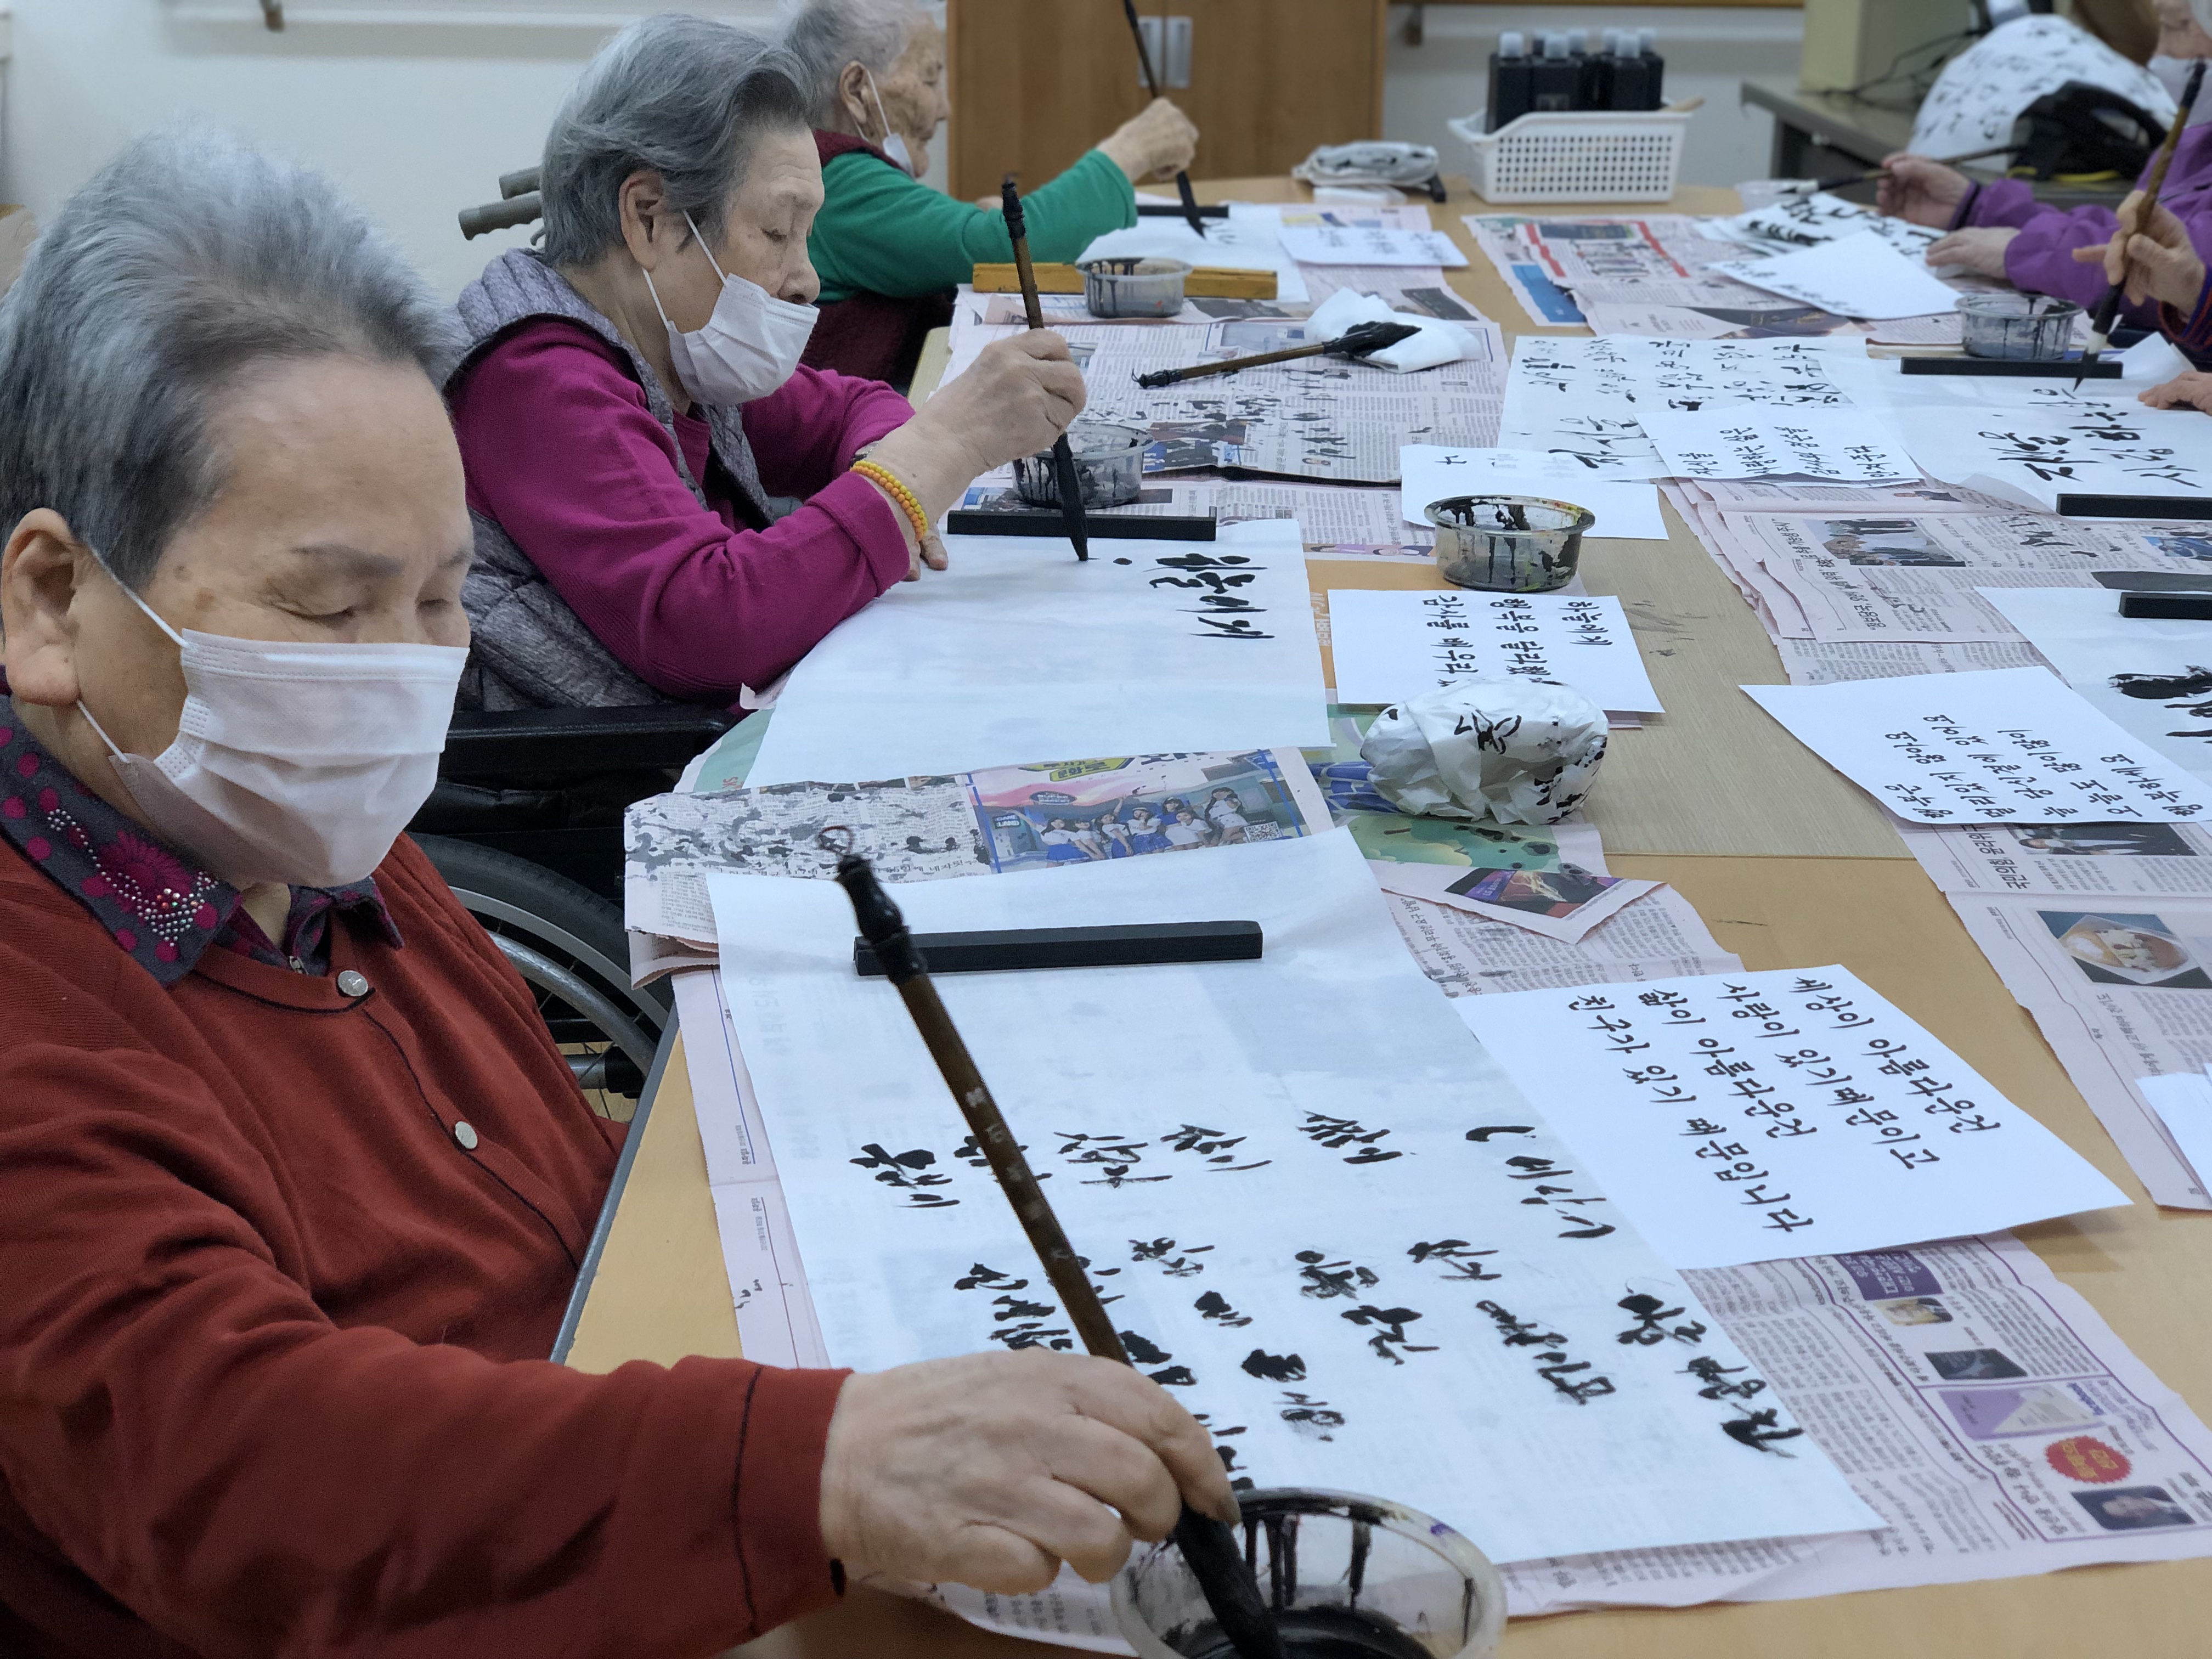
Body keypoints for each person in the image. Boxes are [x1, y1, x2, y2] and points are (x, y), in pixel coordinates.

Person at [0, 128, 1235, 1658]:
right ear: (52, 598)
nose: (402, 673)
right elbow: (238, 1460)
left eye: (442, 597)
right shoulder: (48, 1010)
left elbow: (535, 1176)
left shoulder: (286, 840)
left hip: (620, 1448)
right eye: (329, 606)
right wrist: (815, 1467)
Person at [447, 15, 1088, 710]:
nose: (806, 279)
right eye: (778, 231)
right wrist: (939, 451)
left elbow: (848, 407)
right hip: (614, 773)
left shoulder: (681, 356)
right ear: (650, 217)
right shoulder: (538, 380)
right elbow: (710, 625)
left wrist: (892, 465)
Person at [783, 0, 1200, 384]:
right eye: (929, 79)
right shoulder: (841, 182)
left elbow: (960, 242)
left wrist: (972, 222)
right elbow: (1002, 246)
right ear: (858, 89)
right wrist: (1130, 153)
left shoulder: (833, 171)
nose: (944, 109)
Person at [1878, 0, 2212, 319]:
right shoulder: (2193, 141)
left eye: (2176, 25)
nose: (2160, 55)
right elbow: (2117, 237)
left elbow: (2166, 273)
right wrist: (1977, 208)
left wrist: (2022, 251)